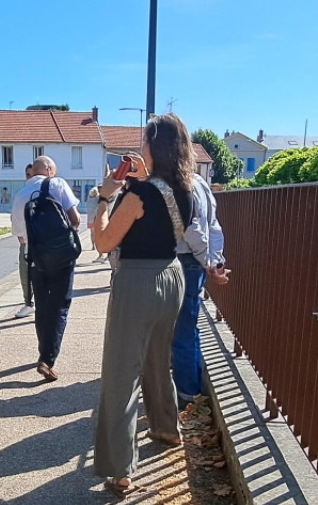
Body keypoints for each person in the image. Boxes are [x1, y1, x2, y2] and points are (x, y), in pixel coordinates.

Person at [91, 113, 195, 498]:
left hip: (138, 281)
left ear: (155, 145)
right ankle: (167, 427)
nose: (141, 146)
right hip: (172, 277)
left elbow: (103, 243)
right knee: (156, 358)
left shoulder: (139, 195)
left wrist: (104, 198)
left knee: (121, 373)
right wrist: (139, 180)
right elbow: (161, 219)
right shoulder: (185, 188)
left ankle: (120, 468)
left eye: (145, 141)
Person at [11, 156, 80, 381]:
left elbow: (20, 237)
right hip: (62, 256)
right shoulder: (57, 184)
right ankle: (47, 359)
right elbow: (75, 218)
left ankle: (43, 349)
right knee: (60, 306)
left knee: (42, 307)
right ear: (49, 169)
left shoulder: (21, 195)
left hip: (36, 258)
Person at [173, 172, 230, 409]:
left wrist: (208, 262)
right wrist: (213, 261)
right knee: (188, 328)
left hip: (180, 259)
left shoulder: (176, 183)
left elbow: (191, 227)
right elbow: (212, 225)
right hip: (193, 262)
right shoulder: (200, 182)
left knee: (179, 333)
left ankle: (186, 394)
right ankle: (191, 390)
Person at [12, 164, 37, 318]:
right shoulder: (23, 193)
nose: (30, 178)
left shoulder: (51, 190)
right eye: (27, 174)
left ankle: (40, 304)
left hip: (44, 244)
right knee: (25, 275)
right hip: (26, 242)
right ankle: (28, 303)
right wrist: (20, 236)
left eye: (32, 174)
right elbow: (15, 217)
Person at [86, 187, 106, 262]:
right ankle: (101, 254)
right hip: (96, 219)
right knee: (98, 235)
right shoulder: (98, 199)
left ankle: (93, 246)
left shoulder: (89, 199)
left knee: (92, 234)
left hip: (90, 219)